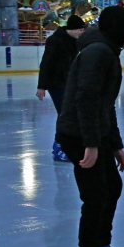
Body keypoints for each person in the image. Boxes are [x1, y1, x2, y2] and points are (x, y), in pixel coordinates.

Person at [56, 6, 124, 247]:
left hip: (92, 133)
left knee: (111, 187)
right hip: (78, 134)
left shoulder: (107, 52)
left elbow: (105, 104)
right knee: (95, 198)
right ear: (119, 30)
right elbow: (87, 100)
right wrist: (90, 144)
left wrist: (115, 145)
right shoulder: (98, 53)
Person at [36, 14, 85, 161]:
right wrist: (41, 87)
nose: (82, 32)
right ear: (73, 29)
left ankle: (62, 146)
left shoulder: (75, 41)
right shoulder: (55, 40)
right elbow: (46, 63)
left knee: (67, 114)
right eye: (81, 30)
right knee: (65, 114)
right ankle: (60, 147)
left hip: (68, 83)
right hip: (55, 83)